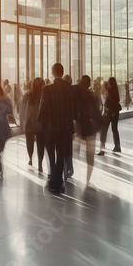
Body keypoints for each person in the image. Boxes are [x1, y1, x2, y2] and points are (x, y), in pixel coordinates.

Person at [37, 63, 76, 194]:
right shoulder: (69, 88)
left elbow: (43, 108)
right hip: (65, 127)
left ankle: (53, 181)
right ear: (62, 71)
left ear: (53, 73)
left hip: (51, 128)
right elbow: (72, 108)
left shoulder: (47, 89)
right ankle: (58, 182)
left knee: (50, 153)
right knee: (60, 154)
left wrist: (39, 120)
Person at [75, 75, 100, 182]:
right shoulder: (92, 96)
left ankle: (73, 173)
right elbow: (96, 112)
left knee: (75, 152)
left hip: (79, 129)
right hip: (90, 129)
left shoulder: (77, 95)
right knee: (90, 156)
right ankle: (87, 179)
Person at [20, 78, 45, 171]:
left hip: (29, 123)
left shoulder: (27, 94)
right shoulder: (43, 94)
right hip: (40, 124)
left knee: (29, 142)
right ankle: (40, 164)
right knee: (40, 144)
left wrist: (22, 121)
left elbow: (23, 109)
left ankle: (30, 158)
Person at [99, 77, 121, 154]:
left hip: (109, 112)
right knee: (114, 129)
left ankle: (102, 148)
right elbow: (117, 100)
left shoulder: (109, 91)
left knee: (104, 129)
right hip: (115, 112)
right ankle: (117, 146)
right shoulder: (116, 91)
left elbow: (108, 102)